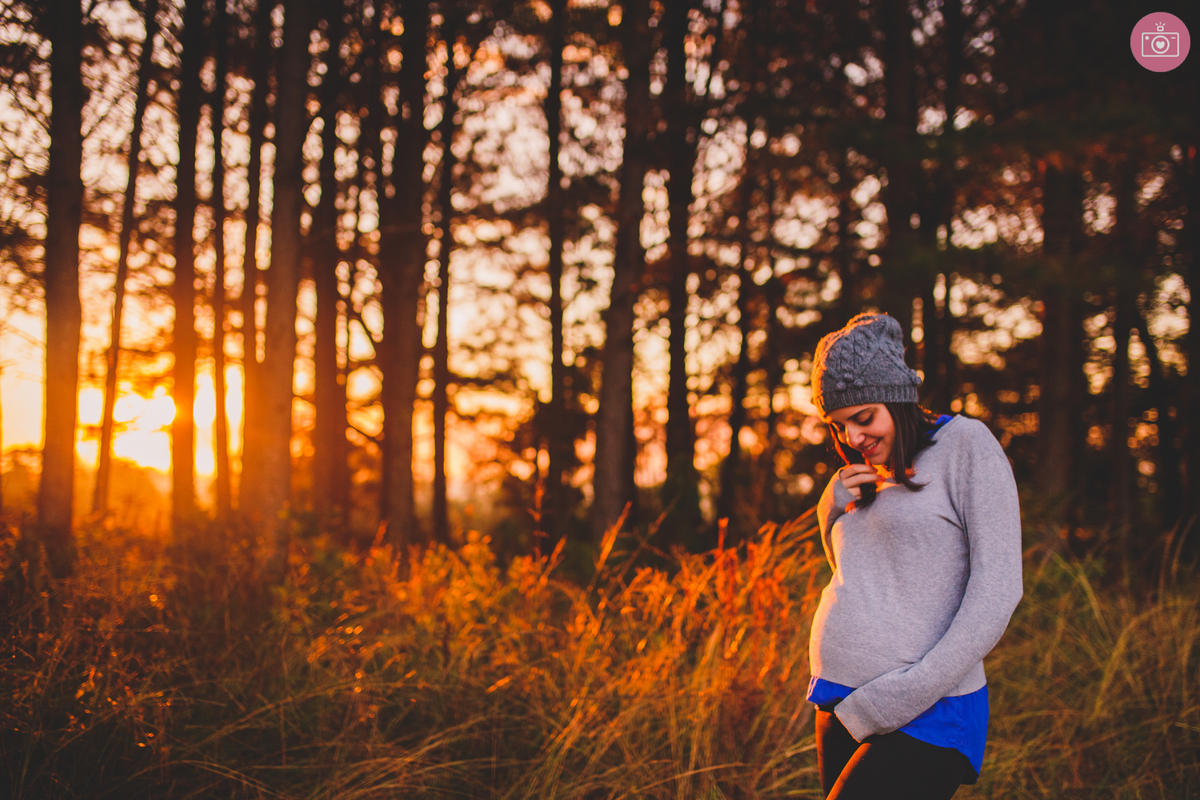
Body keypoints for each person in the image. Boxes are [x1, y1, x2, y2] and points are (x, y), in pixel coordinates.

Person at [805, 312, 1023, 800]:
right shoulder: (863, 472)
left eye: (864, 418)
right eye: (840, 425)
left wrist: (900, 696)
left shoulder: (966, 446)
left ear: (899, 399)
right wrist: (829, 509)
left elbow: (999, 590)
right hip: (838, 695)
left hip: (927, 707)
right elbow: (856, 574)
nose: (853, 438)